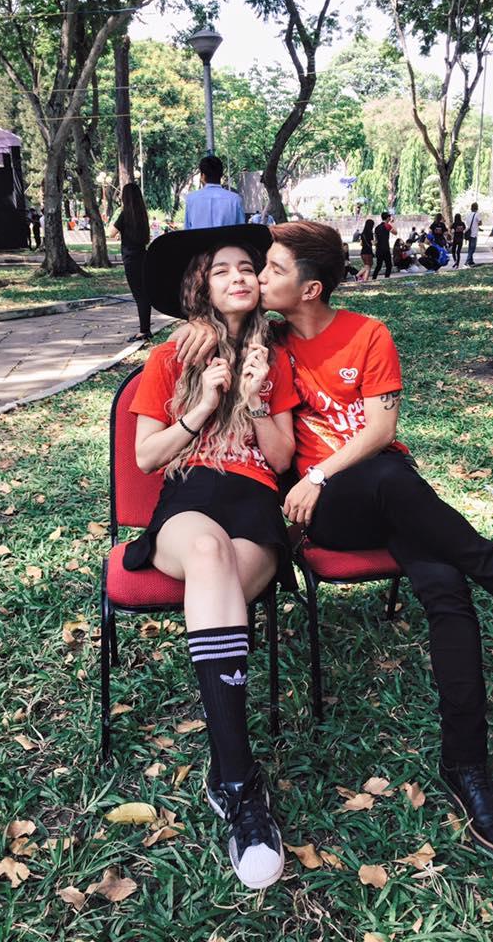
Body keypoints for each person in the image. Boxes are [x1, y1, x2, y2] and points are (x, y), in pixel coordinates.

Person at [254, 220, 493, 862]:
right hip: (327, 509)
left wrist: (326, 469)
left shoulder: (367, 334)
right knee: (392, 479)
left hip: (388, 491)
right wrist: (315, 473)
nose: (262, 276)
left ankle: (467, 767)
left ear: (312, 288)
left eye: (274, 268)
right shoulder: (267, 346)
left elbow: (381, 431)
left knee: (445, 587)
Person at [129, 224, 299, 890]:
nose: (238, 276)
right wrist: (201, 406)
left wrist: (254, 400)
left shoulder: (276, 358)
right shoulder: (170, 357)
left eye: (247, 268)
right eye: (221, 268)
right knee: (206, 549)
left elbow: (280, 460)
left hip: (255, 504)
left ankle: (230, 780)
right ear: (201, 284)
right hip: (190, 499)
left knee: (222, 562)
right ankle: (238, 778)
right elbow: (148, 456)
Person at [109, 182, 153, 343]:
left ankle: (144, 331)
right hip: (142, 256)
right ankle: (145, 329)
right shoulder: (142, 215)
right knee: (143, 294)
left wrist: (117, 213)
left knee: (139, 295)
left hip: (130, 259)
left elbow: (111, 233)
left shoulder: (124, 214)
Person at [185, 156, 245, 230]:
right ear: (221, 174)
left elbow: (187, 230)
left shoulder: (191, 199)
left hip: (199, 238)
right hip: (227, 238)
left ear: (203, 176)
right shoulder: (235, 200)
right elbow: (241, 231)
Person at [372, 212, 396, 279]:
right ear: (388, 218)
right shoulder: (387, 225)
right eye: (389, 217)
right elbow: (395, 232)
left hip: (378, 249)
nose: (390, 218)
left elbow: (376, 239)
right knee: (389, 265)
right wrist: (392, 223)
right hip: (385, 249)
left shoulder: (377, 227)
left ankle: (374, 277)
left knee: (379, 265)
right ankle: (386, 278)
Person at [464, 202, 481, 266]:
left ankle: (471, 261)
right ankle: (467, 261)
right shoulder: (477, 214)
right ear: (477, 208)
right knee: (472, 248)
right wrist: (478, 224)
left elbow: (467, 223)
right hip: (474, 233)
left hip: (468, 232)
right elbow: (480, 222)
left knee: (470, 247)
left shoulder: (468, 214)